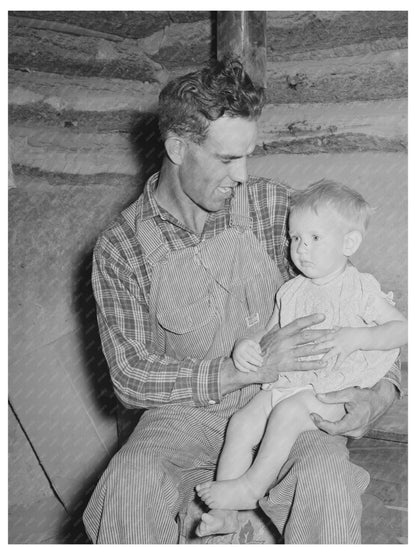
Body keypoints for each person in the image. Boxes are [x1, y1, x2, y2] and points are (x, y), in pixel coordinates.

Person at [82, 58, 401, 544]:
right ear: (178, 148)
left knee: (327, 482)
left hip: (285, 405)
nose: (244, 174)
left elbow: (360, 299)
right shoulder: (122, 246)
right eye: (229, 159)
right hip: (184, 415)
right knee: (129, 482)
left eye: (249, 155)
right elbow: (130, 376)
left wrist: (380, 395)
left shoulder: (275, 208)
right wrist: (238, 371)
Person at [196, 180, 407, 513]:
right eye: (295, 238)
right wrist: (245, 346)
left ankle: (251, 488)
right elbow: (268, 333)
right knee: (242, 421)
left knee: (288, 413)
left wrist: (358, 337)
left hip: (333, 391)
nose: (301, 248)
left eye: (315, 238)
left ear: (349, 242)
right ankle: (224, 512)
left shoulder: (359, 289)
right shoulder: (291, 291)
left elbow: (403, 329)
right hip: (291, 383)